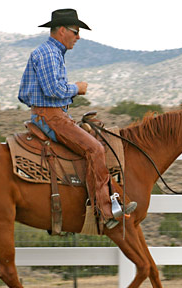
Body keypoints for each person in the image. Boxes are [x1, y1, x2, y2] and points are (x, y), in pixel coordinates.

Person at [18, 8, 135, 229]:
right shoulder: (48, 54)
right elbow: (53, 89)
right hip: (52, 118)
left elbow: (24, 93)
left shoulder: (50, 53)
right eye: (75, 31)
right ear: (62, 30)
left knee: (97, 138)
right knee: (94, 149)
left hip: (54, 114)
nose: (78, 37)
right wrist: (76, 89)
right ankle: (104, 210)